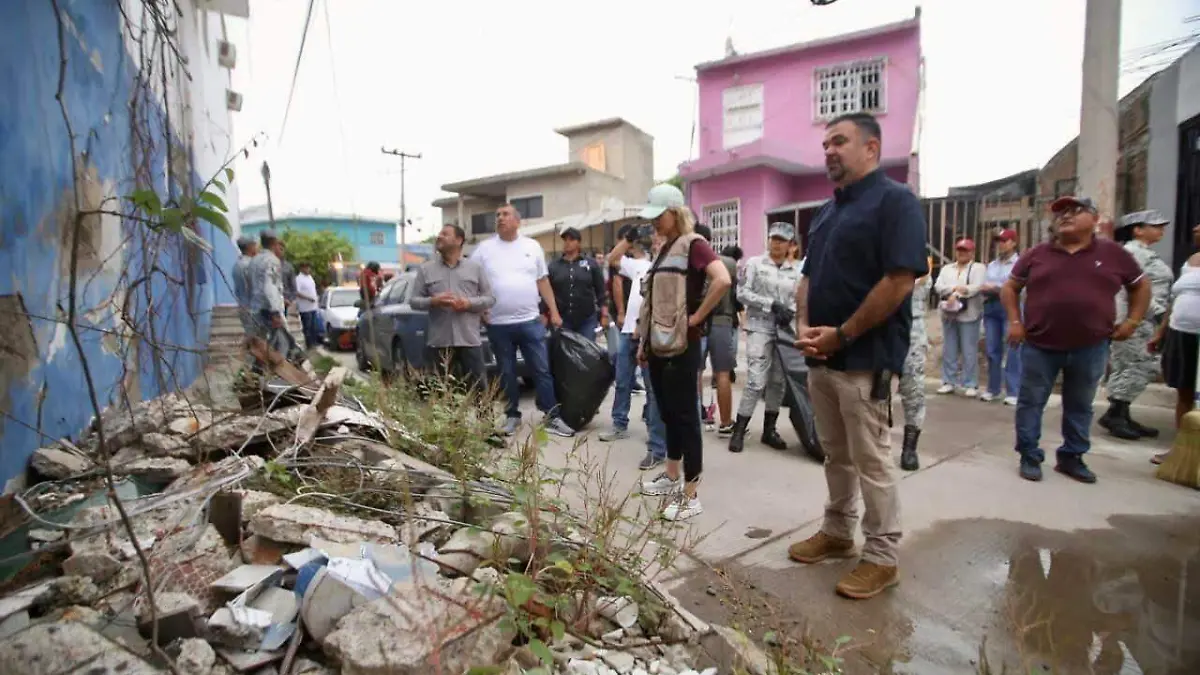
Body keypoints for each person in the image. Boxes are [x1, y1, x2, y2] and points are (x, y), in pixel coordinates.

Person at [786, 112, 927, 600]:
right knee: (836, 455)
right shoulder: (827, 212)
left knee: (872, 461)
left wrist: (842, 335)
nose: (829, 150)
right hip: (821, 358)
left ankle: (883, 556)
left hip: (865, 359)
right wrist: (804, 326)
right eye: (825, 143)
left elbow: (899, 281)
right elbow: (807, 278)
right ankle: (839, 532)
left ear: (872, 148)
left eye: (840, 141)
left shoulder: (896, 203)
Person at [1001, 195, 1150, 484]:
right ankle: (1030, 455)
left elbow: (1140, 286)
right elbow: (1010, 288)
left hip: (1091, 346)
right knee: (1031, 402)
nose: (1065, 216)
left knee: (1080, 405)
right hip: (1040, 345)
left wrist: (1132, 321)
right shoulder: (1037, 254)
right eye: (1061, 213)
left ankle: (1072, 457)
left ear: (1095, 219)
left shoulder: (1113, 254)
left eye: (1075, 211)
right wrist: (1015, 322)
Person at [633, 183, 731, 521]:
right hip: (658, 345)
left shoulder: (694, 245)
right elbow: (650, 301)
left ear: (675, 212)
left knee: (686, 418)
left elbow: (722, 280)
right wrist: (643, 344)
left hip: (682, 345)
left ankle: (691, 494)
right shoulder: (664, 249)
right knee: (669, 413)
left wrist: (697, 317)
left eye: (658, 217)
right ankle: (671, 475)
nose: (653, 224)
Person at [471, 203, 575, 438]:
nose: (500, 218)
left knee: (542, 369)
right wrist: (479, 309)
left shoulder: (532, 246)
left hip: (530, 321)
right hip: (498, 324)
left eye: (505, 214)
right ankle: (512, 416)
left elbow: (543, 281)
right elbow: (471, 280)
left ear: (518, 221)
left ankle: (552, 416)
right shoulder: (484, 249)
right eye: (497, 215)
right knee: (506, 372)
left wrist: (554, 312)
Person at [728, 223, 801, 453]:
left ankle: (769, 429)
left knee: (778, 382)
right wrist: (771, 304)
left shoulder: (796, 271)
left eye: (782, 240)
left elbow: (799, 299)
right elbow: (741, 293)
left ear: (790, 244)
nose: (776, 243)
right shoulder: (754, 264)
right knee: (756, 381)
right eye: (773, 238)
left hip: (784, 331)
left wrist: (790, 311)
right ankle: (739, 429)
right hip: (760, 327)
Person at [1100, 210, 1173, 441]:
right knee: (1136, 365)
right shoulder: (1132, 253)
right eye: (1155, 225)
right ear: (1137, 229)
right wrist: (1158, 314)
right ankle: (1116, 414)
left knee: (1134, 365)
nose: (1161, 229)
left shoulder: (1142, 253)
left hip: (1143, 319)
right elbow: (1133, 288)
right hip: (1136, 318)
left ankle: (1120, 412)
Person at [599, 229, 667, 469]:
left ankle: (656, 437)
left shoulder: (669, 267)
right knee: (623, 380)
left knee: (652, 387)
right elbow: (613, 259)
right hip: (630, 331)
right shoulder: (640, 265)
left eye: (663, 239)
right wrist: (627, 239)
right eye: (656, 239)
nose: (658, 241)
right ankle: (619, 423)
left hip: (652, 335)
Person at [409, 224, 495, 390]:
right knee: (440, 393)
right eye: (439, 234)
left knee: (480, 393)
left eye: (445, 234)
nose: (439, 237)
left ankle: (483, 417)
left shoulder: (475, 268)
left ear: (459, 240)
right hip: (439, 343)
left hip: (469, 341)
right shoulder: (426, 269)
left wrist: (468, 303)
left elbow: (490, 298)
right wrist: (434, 301)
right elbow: (413, 301)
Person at [1150, 222, 1200, 465]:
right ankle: (1181, 450)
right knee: (1184, 391)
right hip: (1181, 333)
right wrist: (1161, 333)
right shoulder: (1190, 261)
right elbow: (1175, 298)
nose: (1196, 228)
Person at [935, 239, 986, 397]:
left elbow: (977, 286)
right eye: (959, 250)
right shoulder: (947, 268)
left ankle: (970, 382)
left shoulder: (978, 268)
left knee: (968, 349)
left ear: (972, 252)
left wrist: (956, 294)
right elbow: (938, 285)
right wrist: (953, 291)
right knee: (949, 348)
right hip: (948, 313)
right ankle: (948, 381)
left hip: (969, 313)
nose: (962, 253)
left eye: (965, 250)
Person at [980, 230, 1023, 404]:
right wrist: (994, 287)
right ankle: (993, 389)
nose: (1001, 244)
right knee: (992, 349)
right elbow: (985, 285)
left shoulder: (1019, 263)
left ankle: (1013, 391)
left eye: (1005, 241)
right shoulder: (992, 265)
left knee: (1013, 350)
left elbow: (1015, 286)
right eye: (999, 241)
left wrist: (996, 287)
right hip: (991, 307)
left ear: (1013, 242)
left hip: (1010, 307)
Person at [249, 229, 302, 362]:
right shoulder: (272, 261)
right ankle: (278, 379)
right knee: (281, 347)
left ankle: (260, 375)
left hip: (256, 309)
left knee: (263, 347)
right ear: (274, 242)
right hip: (269, 311)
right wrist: (275, 313)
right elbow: (270, 286)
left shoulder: (254, 260)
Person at [898, 268, 932, 471]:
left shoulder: (920, 261)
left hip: (913, 329)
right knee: (879, 390)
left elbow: (922, 282)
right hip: (884, 327)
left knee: (914, 391)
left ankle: (910, 448)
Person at [547, 227, 607, 341]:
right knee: (564, 353)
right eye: (565, 240)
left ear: (578, 243)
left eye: (571, 239)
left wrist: (604, 315)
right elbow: (547, 291)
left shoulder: (591, 264)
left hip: (587, 318)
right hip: (562, 318)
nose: (567, 243)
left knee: (586, 352)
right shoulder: (554, 266)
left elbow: (601, 291)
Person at [706, 242, 741, 436]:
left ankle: (698, 417)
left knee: (695, 372)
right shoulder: (729, 263)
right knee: (723, 374)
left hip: (695, 322)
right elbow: (736, 295)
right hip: (722, 321)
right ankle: (726, 423)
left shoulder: (689, 261)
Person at [232, 236, 259, 335]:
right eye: (255, 245)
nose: (257, 248)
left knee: (252, 338)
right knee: (258, 341)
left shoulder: (237, 265)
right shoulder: (251, 265)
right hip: (253, 309)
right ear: (250, 247)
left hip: (243, 307)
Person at [294, 262, 320, 350]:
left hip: (313, 306)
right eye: (306, 268)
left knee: (314, 326)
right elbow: (297, 292)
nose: (308, 270)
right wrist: (308, 298)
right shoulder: (298, 279)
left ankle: (314, 343)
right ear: (301, 269)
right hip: (305, 308)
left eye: (309, 268)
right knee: (307, 327)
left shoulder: (310, 277)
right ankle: (309, 345)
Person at [280, 241, 297, 317]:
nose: (280, 251)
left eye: (281, 249)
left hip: (285, 301)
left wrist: (290, 300)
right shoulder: (267, 264)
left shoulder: (288, 266)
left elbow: (293, 286)